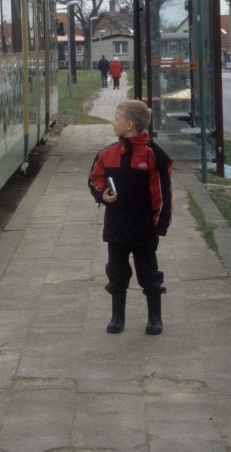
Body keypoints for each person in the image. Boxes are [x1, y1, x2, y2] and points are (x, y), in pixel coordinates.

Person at [88, 100, 172, 335]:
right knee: (116, 272)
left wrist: (159, 225)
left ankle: (155, 317)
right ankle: (117, 317)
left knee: (149, 273)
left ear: (129, 124)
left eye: (116, 119)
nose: (113, 123)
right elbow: (95, 178)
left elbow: (163, 194)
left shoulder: (154, 156)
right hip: (116, 229)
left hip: (144, 229)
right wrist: (102, 195)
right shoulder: (106, 154)